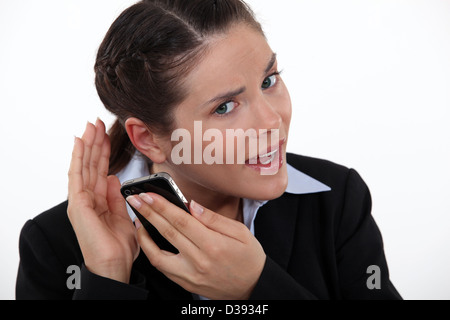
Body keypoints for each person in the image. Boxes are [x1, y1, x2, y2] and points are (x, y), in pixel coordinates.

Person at [16, 0, 401, 300]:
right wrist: (109, 278)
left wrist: (260, 286)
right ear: (148, 138)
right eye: (225, 107)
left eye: (269, 80)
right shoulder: (56, 243)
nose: (272, 122)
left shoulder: (337, 198)